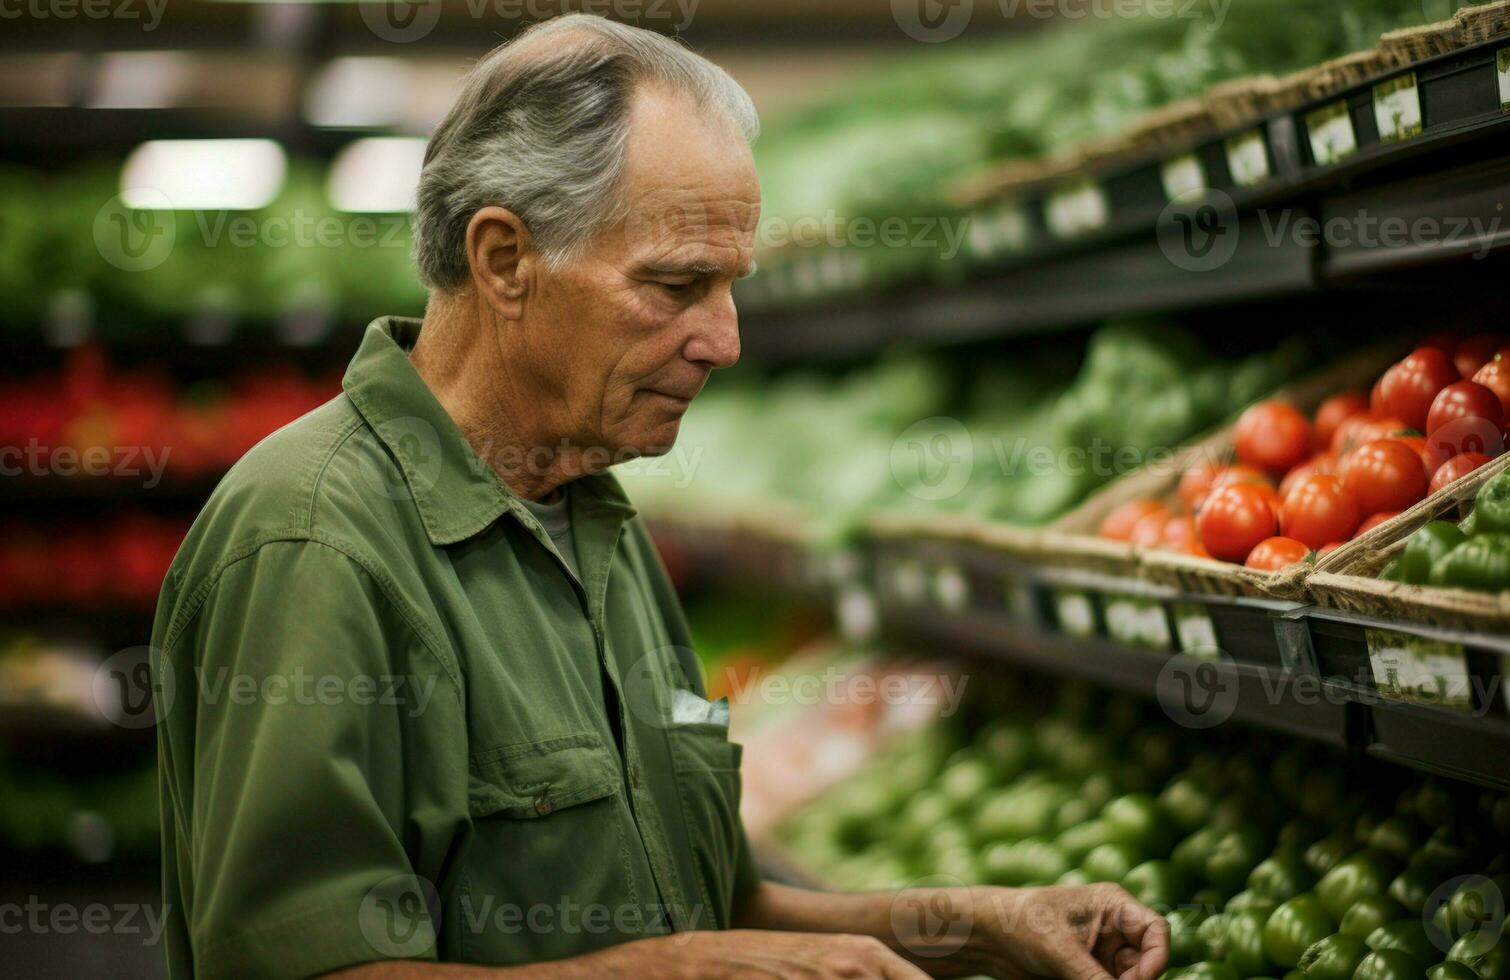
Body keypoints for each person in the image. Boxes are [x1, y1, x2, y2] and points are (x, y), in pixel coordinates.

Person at [151, 14, 1168, 979]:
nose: (725, 340)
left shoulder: (596, 521)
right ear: (505, 259)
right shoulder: (312, 543)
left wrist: (979, 922)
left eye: (731, 287)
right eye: (676, 286)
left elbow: (719, 910)